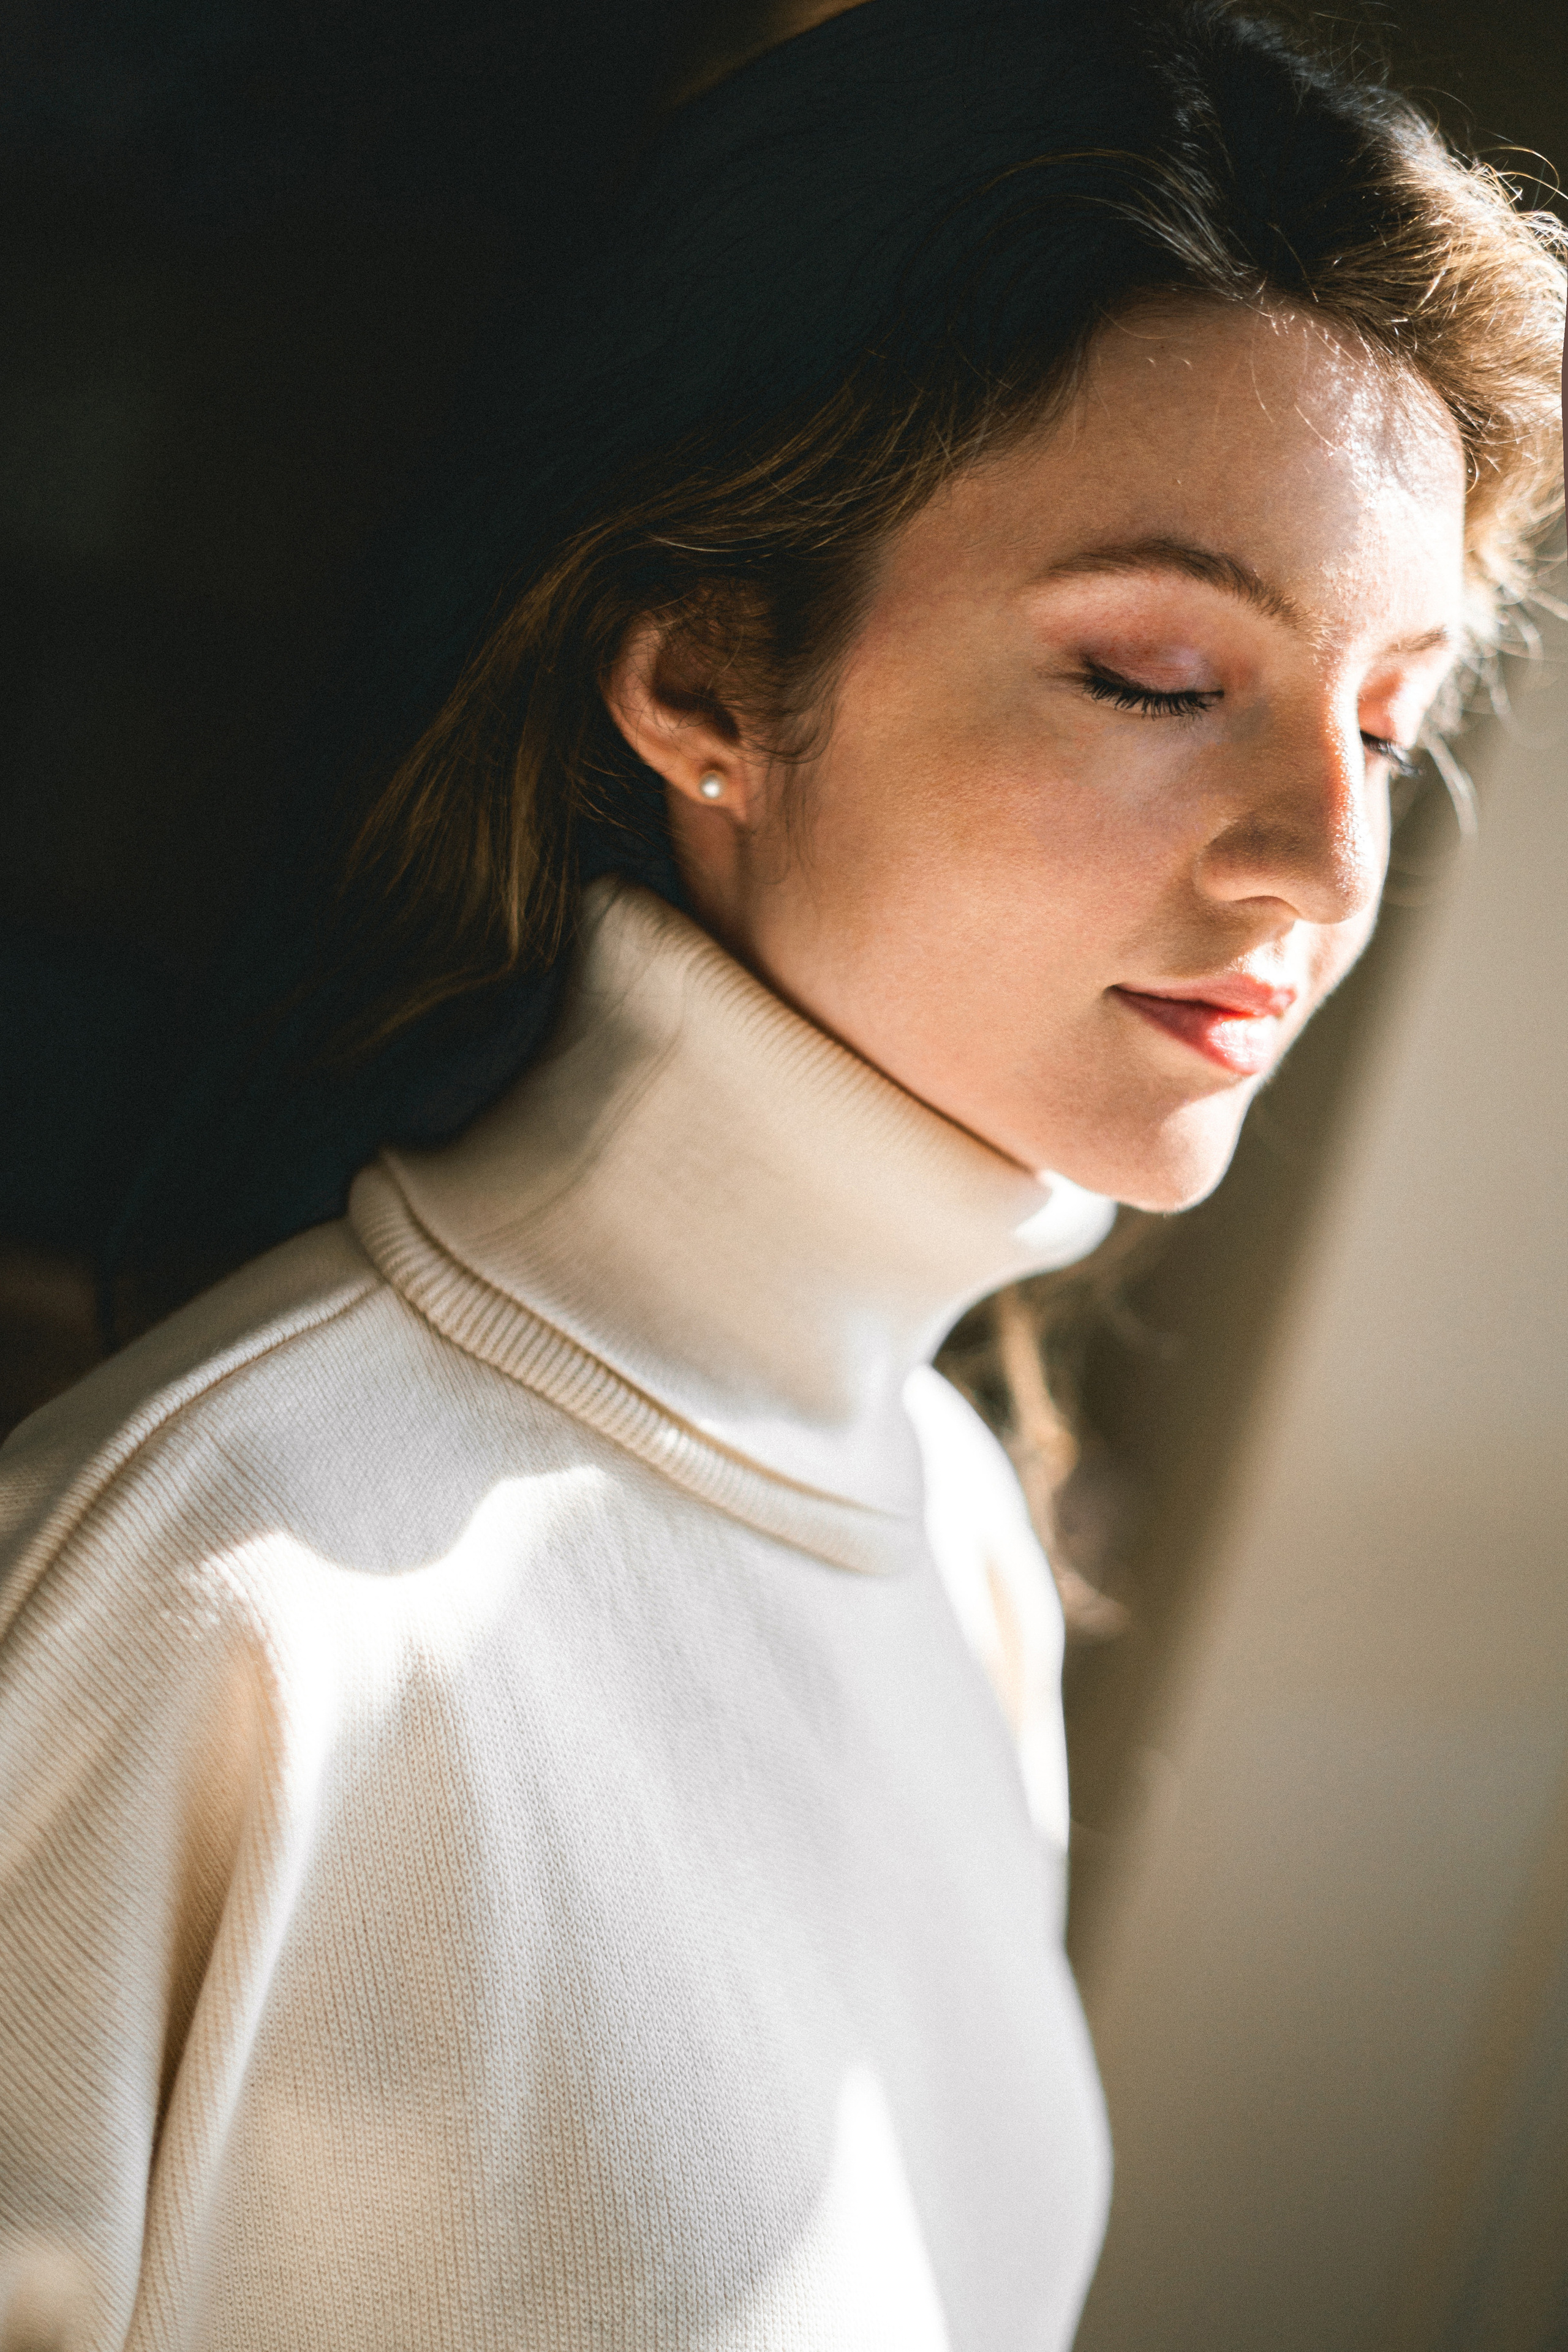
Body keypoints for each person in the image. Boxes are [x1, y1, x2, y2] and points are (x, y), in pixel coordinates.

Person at [1, 2, 1561, 2346]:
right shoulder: (208, 1598)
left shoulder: (958, 1546)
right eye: (1157, 673)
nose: (1320, 861)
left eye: (1382, 714)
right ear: (706, 675)